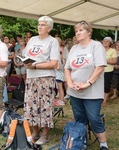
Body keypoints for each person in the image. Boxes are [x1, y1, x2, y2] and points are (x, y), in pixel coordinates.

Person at [64, 20, 108, 150]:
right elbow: (67, 68)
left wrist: (87, 83)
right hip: (75, 91)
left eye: (81, 30)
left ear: (89, 32)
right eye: (76, 30)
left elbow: (100, 67)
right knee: (79, 118)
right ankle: (81, 141)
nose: (78, 32)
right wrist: (70, 84)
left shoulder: (96, 46)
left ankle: (103, 144)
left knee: (94, 118)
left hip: (92, 91)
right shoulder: (74, 48)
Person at [23, 16, 60, 145]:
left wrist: (35, 66)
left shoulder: (52, 41)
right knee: (31, 105)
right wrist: (24, 62)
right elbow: (25, 56)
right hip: (31, 77)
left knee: (44, 105)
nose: (39, 27)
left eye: (43, 25)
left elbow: (54, 63)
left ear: (49, 28)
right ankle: (35, 131)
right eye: (39, 24)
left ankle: (45, 134)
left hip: (45, 77)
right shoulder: (32, 39)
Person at [102, 37, 117, 107]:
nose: (105, 42)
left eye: (107, 41)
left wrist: (104, 60)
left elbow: (114, 61)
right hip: (99, 70)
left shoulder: (113, 50)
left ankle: (104, 100)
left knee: (106, 86)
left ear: (110, 43)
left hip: (108, 71)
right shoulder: (99, 49)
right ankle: (100, 99)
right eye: (104, 41)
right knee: (99, 85)